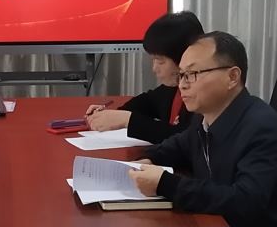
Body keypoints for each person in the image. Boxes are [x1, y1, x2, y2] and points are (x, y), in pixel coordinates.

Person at [131, 32, 277, 227]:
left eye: (192, 74)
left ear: (232, 77)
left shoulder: (262, 128)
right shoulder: (205, 118)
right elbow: (177, 148)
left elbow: (244, 201)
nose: (182, 84)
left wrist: (166, 184)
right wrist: (149, 159)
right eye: (181, 75)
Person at [83, 11, 204, 144]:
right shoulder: (172, 89)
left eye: (160, 61)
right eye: (153, 60)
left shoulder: (204, 95)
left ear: (184, 57)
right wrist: (110, 115)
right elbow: (147, 102)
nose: (154, 68)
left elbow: (188, 140)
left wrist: (127, 120)